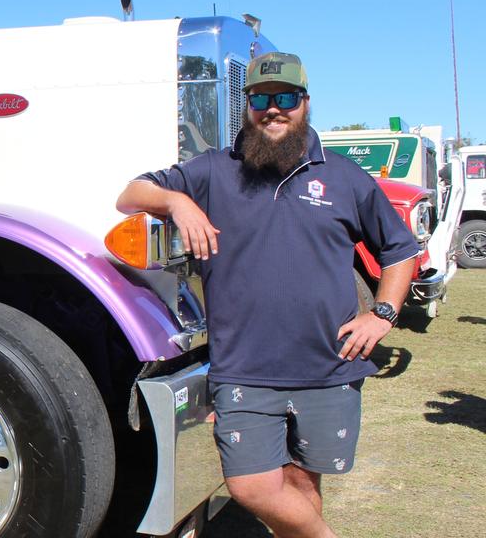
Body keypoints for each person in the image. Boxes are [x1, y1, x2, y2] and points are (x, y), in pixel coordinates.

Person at [115, 52, 418, 538]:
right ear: (247, 104)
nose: (273, 109)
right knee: (252, 486)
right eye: (261, 98)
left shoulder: (343, 177)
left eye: (285, 98)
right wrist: (178, 201)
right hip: (244, 369)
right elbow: (130, 194)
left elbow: (400, 250)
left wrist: (382, 314)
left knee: (302, 480)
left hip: (328, 364)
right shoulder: (214, 171)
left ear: (305, 103)